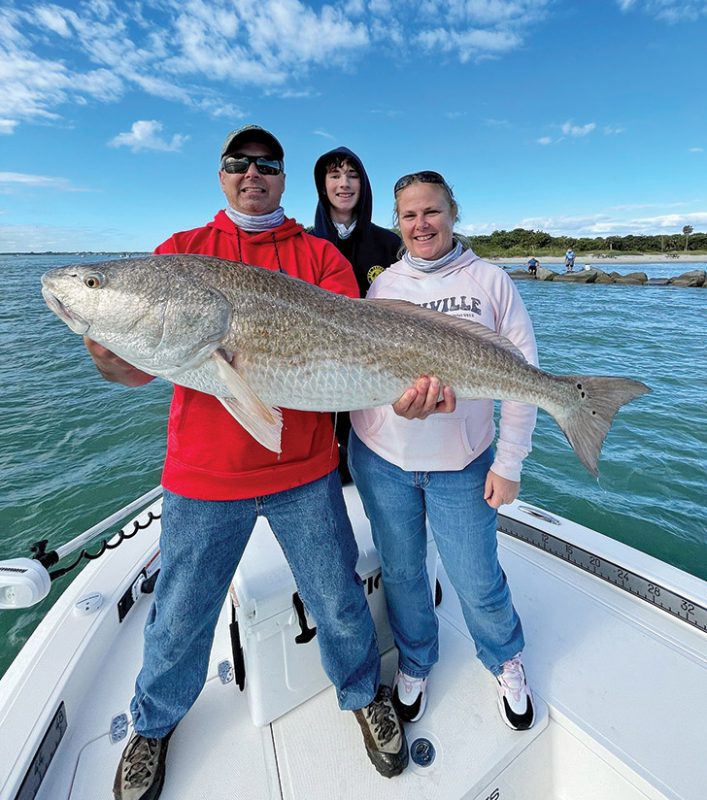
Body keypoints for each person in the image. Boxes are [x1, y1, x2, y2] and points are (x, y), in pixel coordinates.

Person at [87, 125, 410, 800]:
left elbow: (353, 355)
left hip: (305, 472)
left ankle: (361, 693)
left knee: (341, 603)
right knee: (178, 617)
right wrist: (113, 359)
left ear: (284, 178)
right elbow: (141, 371)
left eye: (266, 163)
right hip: (204, 478)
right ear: (221, 174)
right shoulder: (180, 255)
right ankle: (152, 726)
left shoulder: (321, 256)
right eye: (238, 162)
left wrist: (410, 390)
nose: (251, 172)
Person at [349, 170, 538, 733]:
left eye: (431, 212)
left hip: (463, 465)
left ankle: (505, 657)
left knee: (476, 577)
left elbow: (524, 378)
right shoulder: (383, 288)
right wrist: (397, 404)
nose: (420, 224)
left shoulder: (491, 281)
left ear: (453, 213)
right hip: (384, 461)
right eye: (408, 215)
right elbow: (366, 374)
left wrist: (509, 464)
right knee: (404, 574)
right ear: (396, 223)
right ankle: (415, 661)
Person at [311, 147, 402, 483]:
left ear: (364, 184)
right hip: (320, 369)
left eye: (352, 175)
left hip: (382, 369)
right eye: (334, 175)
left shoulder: (390, 244)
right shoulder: (306, 243)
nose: (344, 183)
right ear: (322, 186)